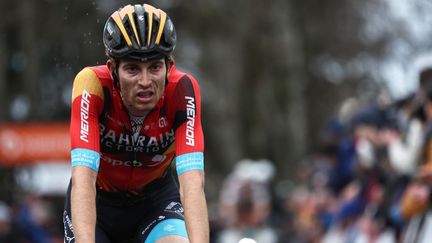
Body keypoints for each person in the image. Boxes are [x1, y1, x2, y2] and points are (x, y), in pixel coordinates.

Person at [63, 3, 209, 243]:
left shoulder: (182, 90)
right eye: (132, 68)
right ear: (113, 70)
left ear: (168, 67)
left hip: (156, 201)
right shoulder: (92, 85)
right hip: (97, 203)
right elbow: (83, 177)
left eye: (154, 67)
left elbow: (193, 184)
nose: (145, 81)